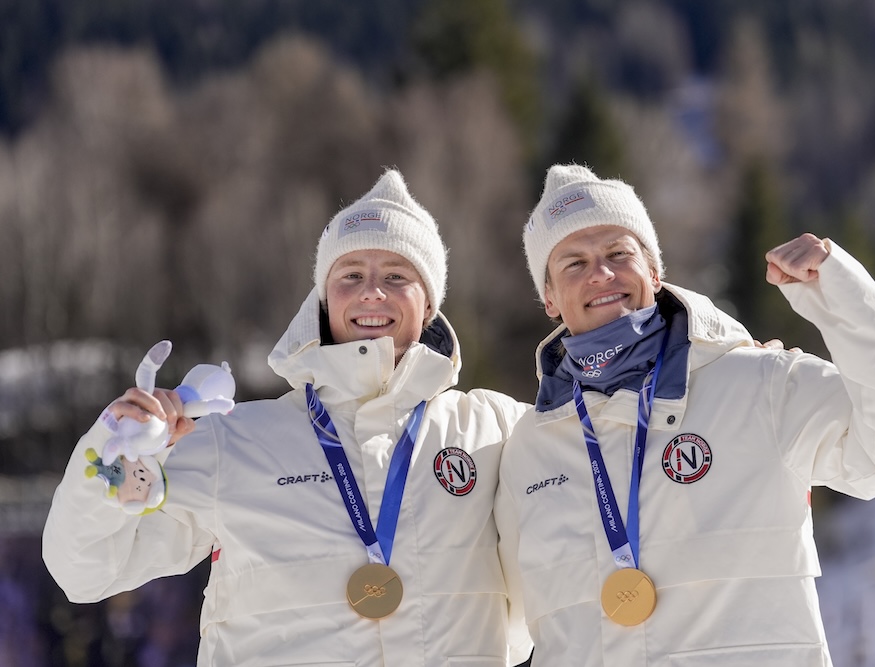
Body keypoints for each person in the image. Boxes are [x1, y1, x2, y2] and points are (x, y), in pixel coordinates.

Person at [43, 169, 533, 666]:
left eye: (396, 276)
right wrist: (114, 458)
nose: (371, 292)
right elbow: (83, 571)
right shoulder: (234, 442)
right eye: (350, 275)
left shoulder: (493, 428)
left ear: (428, 303)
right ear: (323, 297)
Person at [494, 164, 875, 666]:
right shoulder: (529, 447)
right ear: (548, 298)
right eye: (573, 263)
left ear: (654, 272)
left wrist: (840, 295)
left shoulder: (759, 385)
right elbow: (497, 625)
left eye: (618, 253)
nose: (601, 274)